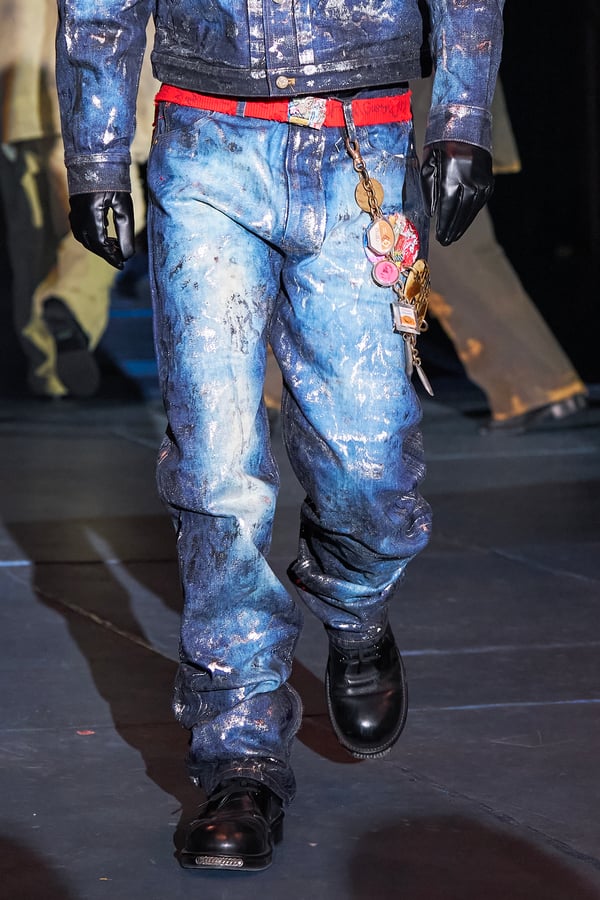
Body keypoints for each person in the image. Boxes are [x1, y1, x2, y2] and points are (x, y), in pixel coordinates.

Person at [56, 0, 504, 871]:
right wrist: (96, 152)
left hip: (360, 139)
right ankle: (240, 755)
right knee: (214, 470)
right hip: (206, 145)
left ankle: (355, 602)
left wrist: (461, 114)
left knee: (369, 464)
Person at [411, 77, 588, 432]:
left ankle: (536, 384)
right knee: (445, 245)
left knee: (447, 242)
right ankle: (536, 384)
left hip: (433, 96)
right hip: (427, 96)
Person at [0, 0, 155, 398]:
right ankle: (69, 303)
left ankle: (48, 377)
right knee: (108, 221)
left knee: (31, 246)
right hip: (86, 104)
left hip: (15, 99)